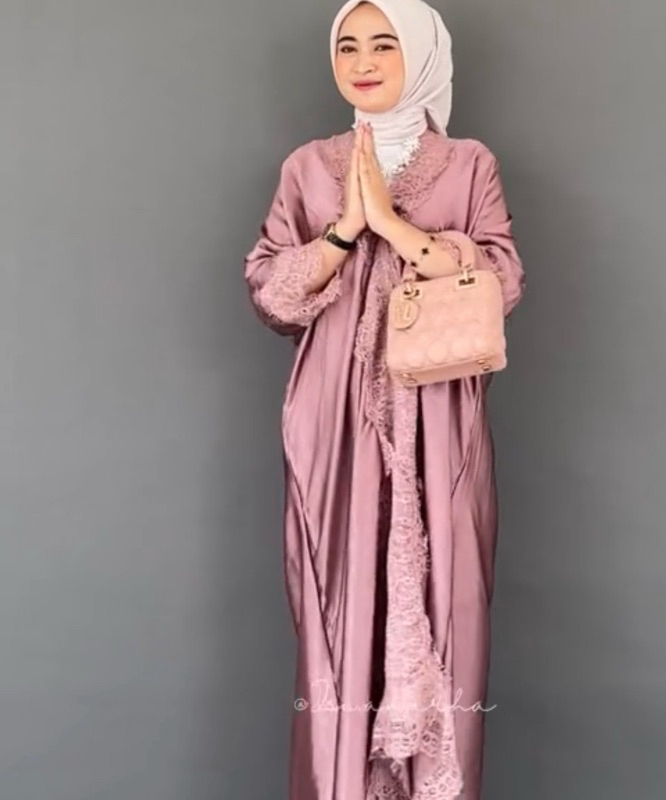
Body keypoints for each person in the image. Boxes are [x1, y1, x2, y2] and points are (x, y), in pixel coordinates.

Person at [243, 0, 524, 797]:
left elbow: (502, 280)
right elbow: (271, 294)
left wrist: (394, 228)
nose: (362, 62)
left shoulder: (468, 165)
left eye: (384, 44)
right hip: (333, 425)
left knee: (443, 602)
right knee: (338, 611)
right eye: (347, 46)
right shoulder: (308, 168)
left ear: (422, 54)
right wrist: (341, 231)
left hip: (438, 423)